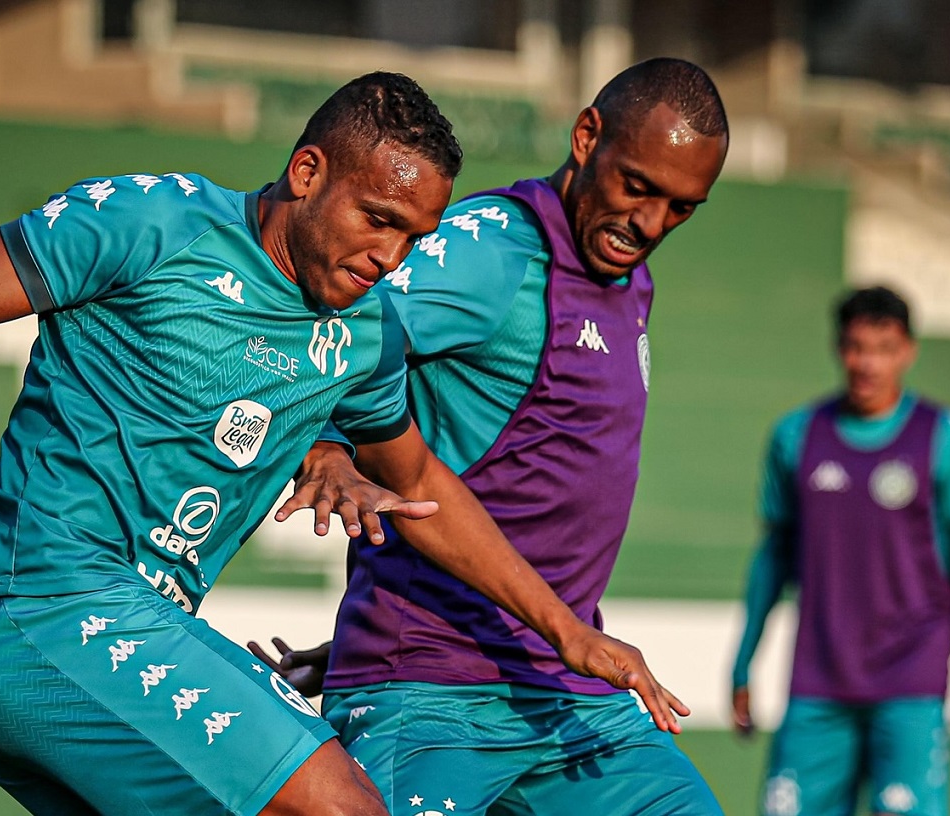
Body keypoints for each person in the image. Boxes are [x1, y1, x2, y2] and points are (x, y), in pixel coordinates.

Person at [0, 72, 680, 816]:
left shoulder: (362, 332)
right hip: (40, 604)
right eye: (378, 219)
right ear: (308, 172)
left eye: (413, 236)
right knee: (342, 805)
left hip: (129, 634)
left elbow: (420, 484)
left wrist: (567, 633)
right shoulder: (153, 220)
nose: (389, 256)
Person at [252, 58, 730, 815]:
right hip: (428, 692)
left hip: (571, 696)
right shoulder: (493, 249)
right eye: (637, 186)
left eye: (681, 207)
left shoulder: (628, 275)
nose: (649, 223)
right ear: (586, 138)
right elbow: (342, 340)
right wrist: (328, 448)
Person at [730, 286, 950, 816]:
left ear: (908, 351)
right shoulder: (797, 436)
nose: (869, 362)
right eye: (857, 347)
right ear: (839, 348)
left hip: (912, 683)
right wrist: (744, 662)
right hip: (817, 681)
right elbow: (773, 558)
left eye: (883, 347)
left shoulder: (944, 437)